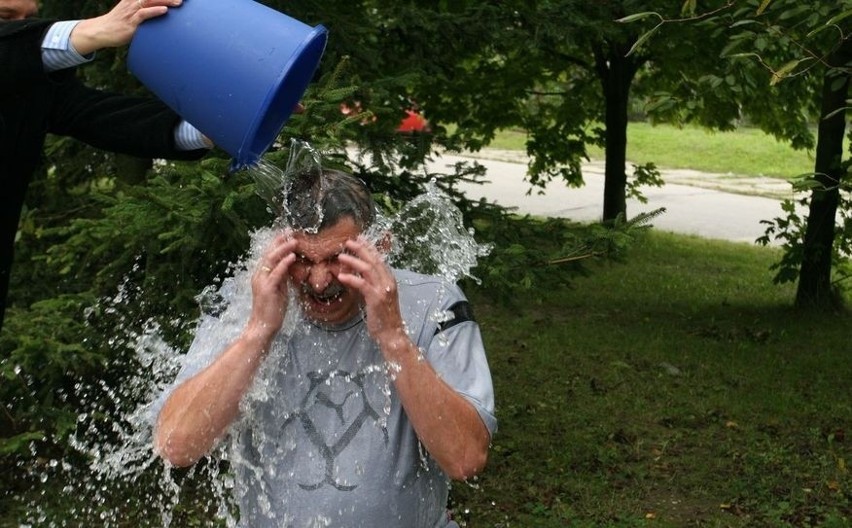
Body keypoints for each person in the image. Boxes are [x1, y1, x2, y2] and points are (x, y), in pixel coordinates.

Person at [154, 167, 497, 527]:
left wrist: (394, 337)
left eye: (336, 259)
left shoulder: (434, 304)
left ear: (380, 246)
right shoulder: (247, 303)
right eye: (302, 260)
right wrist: (258, 332)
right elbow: (177, 446)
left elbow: (464, 458)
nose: (319, 282)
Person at [0, 0, 211, 333]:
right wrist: (94, 29)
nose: (19, 29)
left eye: (30, 20)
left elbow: (108, 118)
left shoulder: (32, 85)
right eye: (5, 18)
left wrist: (218, 126)